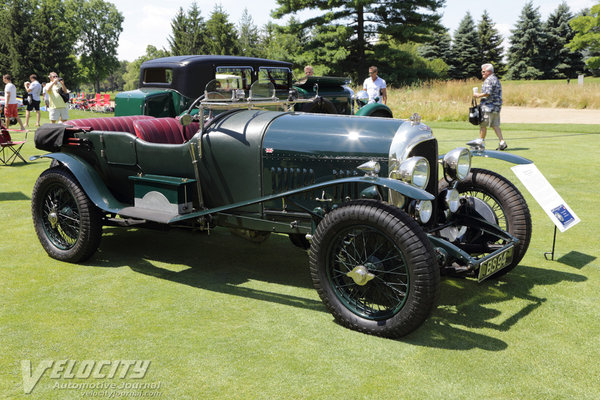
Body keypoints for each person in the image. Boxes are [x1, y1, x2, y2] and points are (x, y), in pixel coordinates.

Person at [472, 63, 507, 150]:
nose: (482, 73)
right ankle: (502, 142)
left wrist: (477, 95)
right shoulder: (495, 79)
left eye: (484, 71)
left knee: (483, 125)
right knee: (495, 125)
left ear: (489, 72)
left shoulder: (489, 80)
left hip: (488, 106)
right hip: (496, 107)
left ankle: (481, 144)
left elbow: (487, 93)